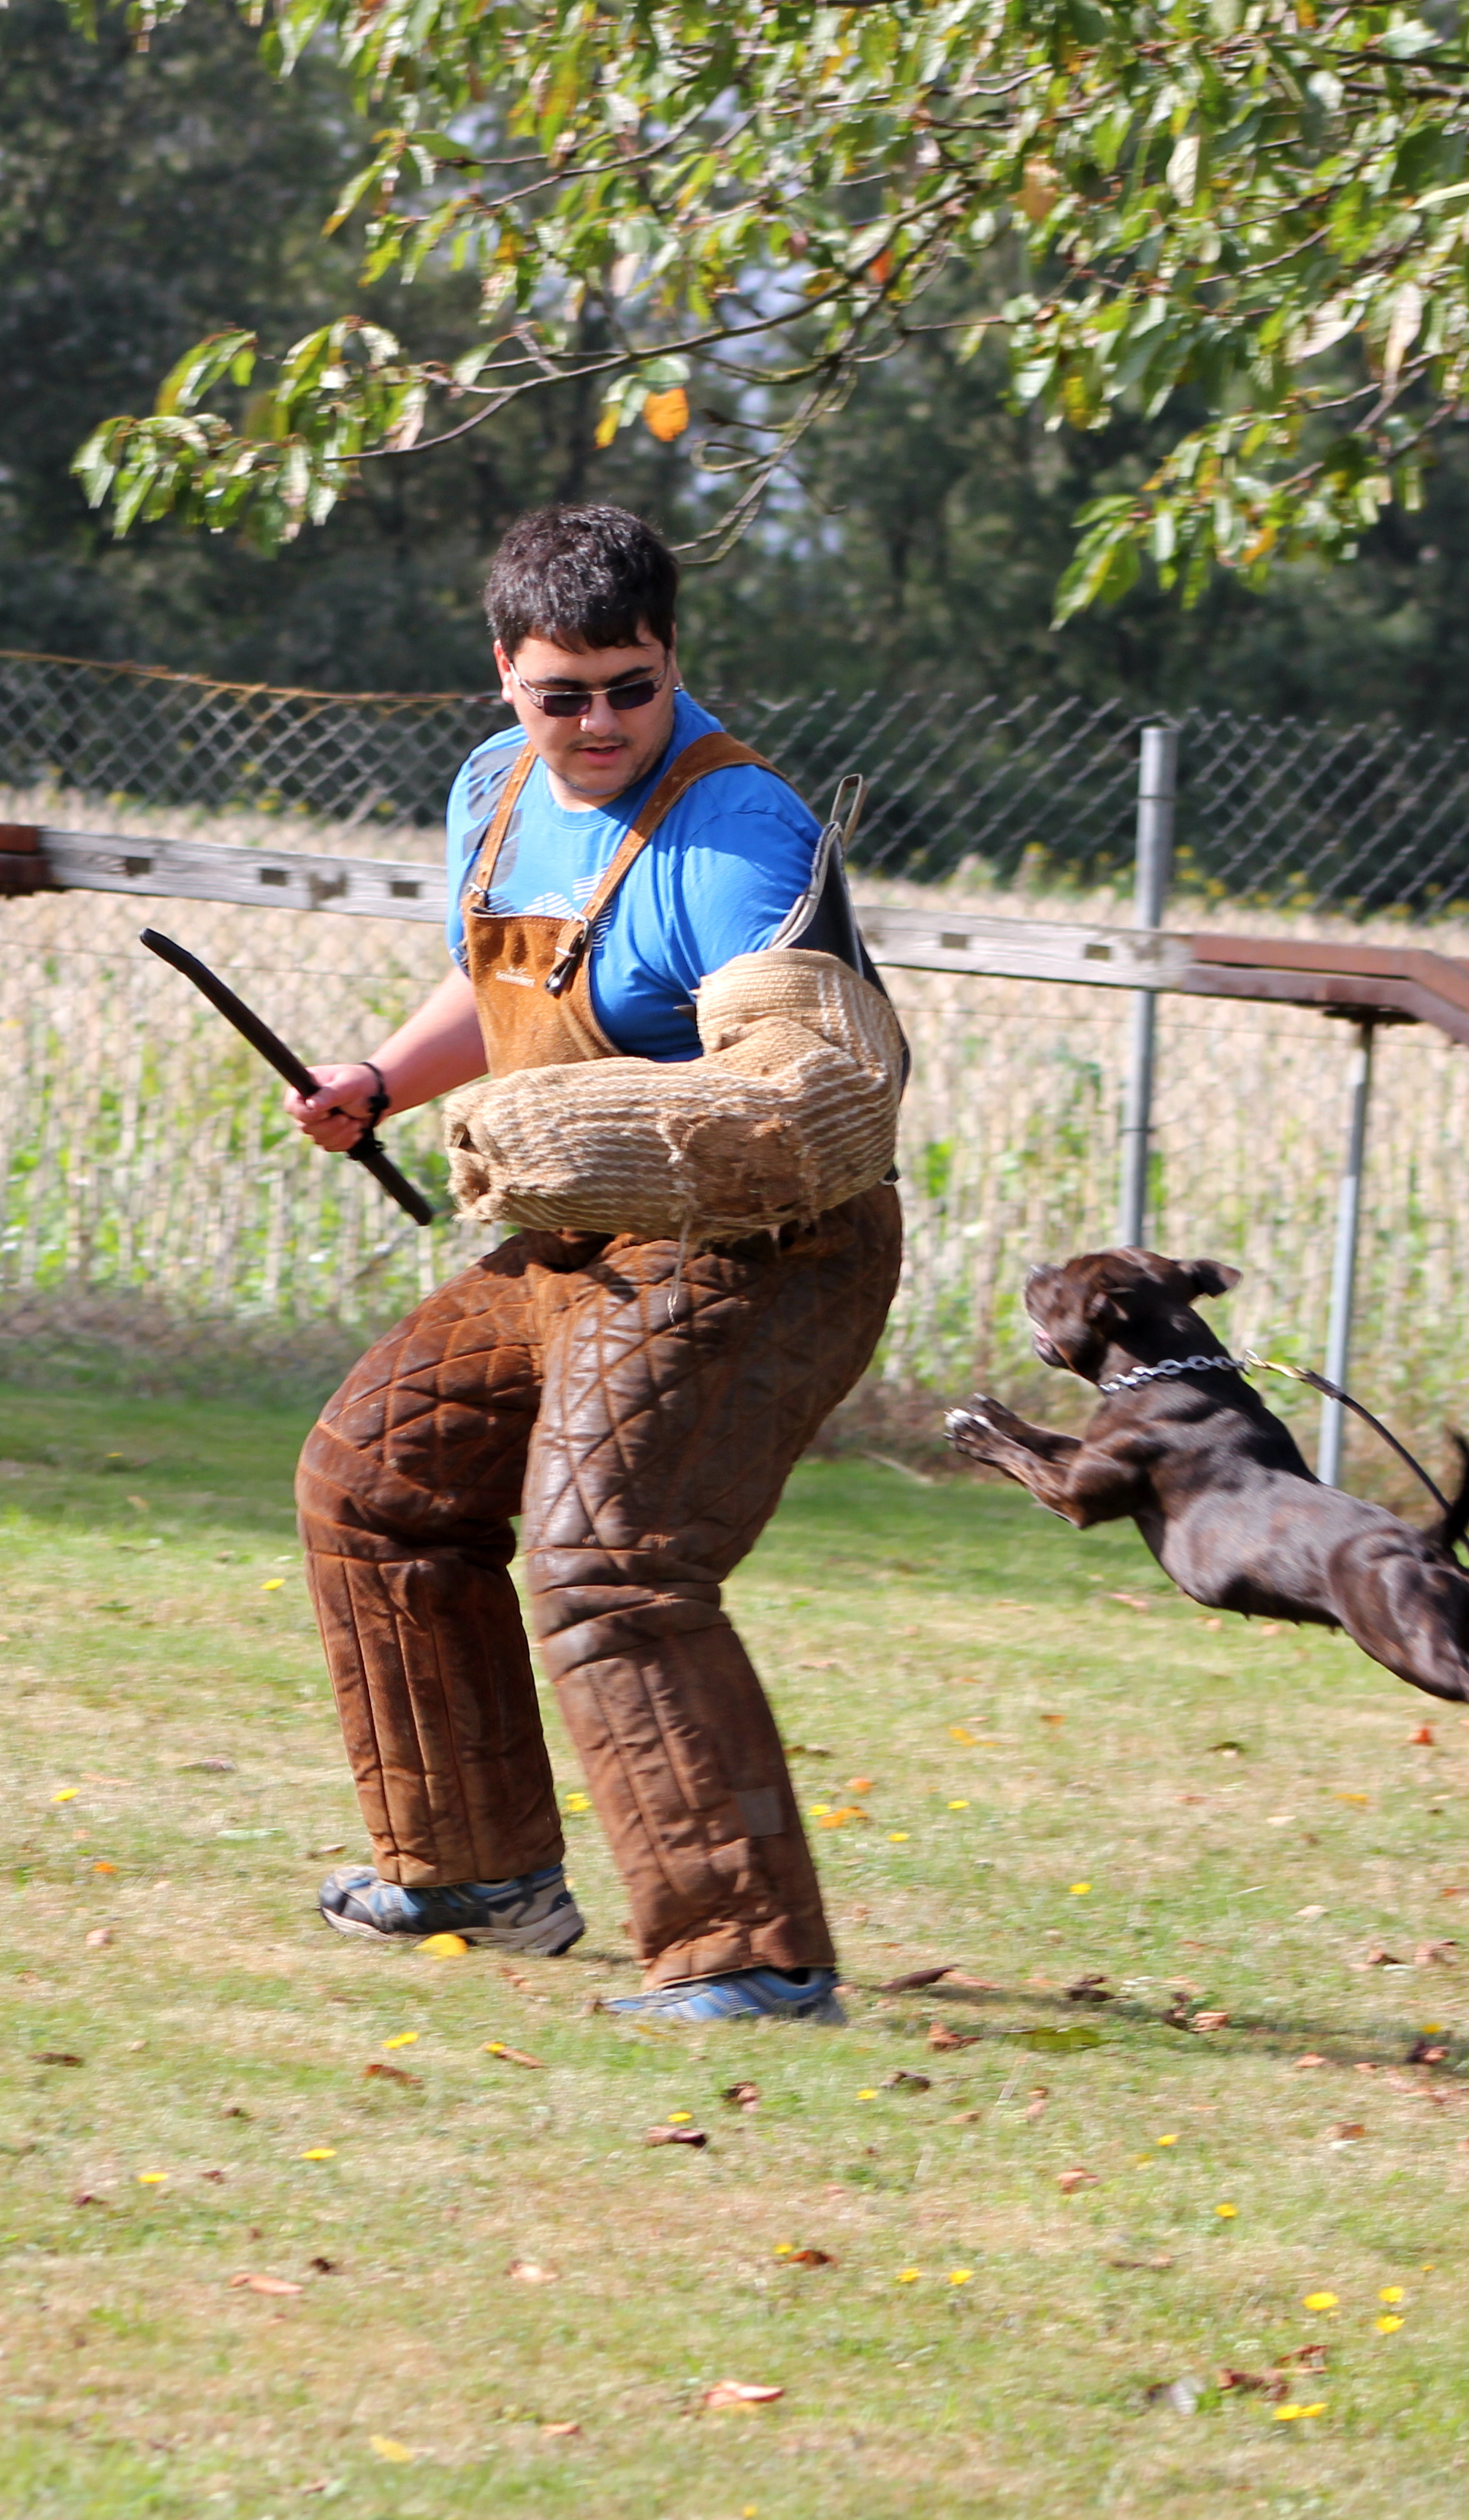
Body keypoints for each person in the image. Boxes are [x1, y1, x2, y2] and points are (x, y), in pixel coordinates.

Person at [281, 503, 907, 2025]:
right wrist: (382, 1079)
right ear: (505, 671)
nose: (602, 721)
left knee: (611, 1561)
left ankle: (749, 1960)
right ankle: (473, 1874)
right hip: (573, 1240)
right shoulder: (494, 791)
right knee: (377, 1481)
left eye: (632, 685)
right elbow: (502, 979)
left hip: (763, 1248)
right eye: (565, 692)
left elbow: (807, 1076)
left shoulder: (742, 828)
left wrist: (571, 1126)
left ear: (670, 659)